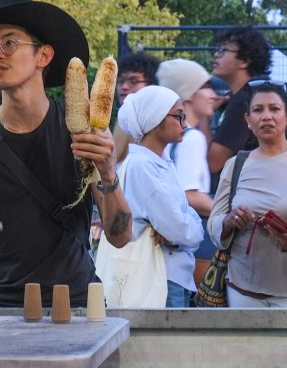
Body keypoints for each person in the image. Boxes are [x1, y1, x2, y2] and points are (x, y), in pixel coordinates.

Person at [0, 0, 132, 308]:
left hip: (77, 303)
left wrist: (108, 171)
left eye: (9, 42)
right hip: (2, 308)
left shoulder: (84, 131)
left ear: (43, 56)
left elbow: (120, 238)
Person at [117, 86, 204, 307]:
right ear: (155, 120)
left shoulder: (160, 162)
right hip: (161, 278)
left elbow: (182, 223)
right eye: (178, 116)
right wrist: (193, 230)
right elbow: (179, 229)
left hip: (173, 275)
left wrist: (186, 228)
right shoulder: (143, 166)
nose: (185, 123)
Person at [207, 83, 287, 307]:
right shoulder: (236, 165)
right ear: (248, 121)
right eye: (258, 110)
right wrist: (229, 221)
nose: (266, 116)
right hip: (242, 289)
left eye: (274, 109)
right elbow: (214, 222)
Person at [157, 59, 219, 288]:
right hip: (196, 246)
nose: (213, 94)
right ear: (190, 93)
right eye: (206, 86)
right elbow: (189, 194)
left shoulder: (171, 139)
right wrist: (227, 213)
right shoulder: (192, 139)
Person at [207, 26, 272, 179]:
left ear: (244, 61)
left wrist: (203, 114)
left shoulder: (246, 100)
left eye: (223, 51)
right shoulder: (248, 94)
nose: (216, 55)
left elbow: (213, 162)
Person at [113, 52, 161, 165]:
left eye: (134, 81)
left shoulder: (160, 122)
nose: (124, 87)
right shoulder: (124, 117)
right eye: (120, 81)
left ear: (152, 85)